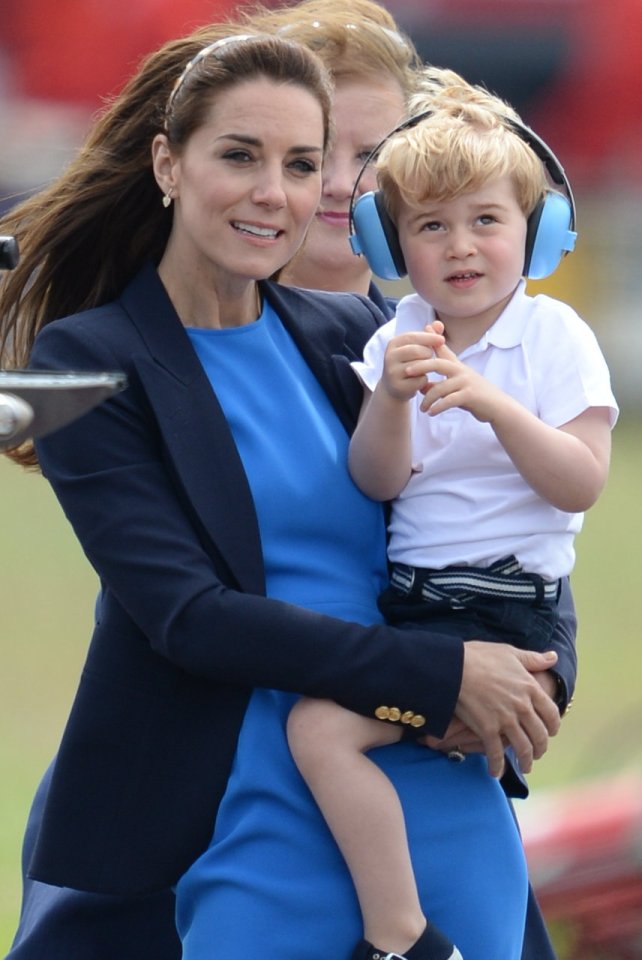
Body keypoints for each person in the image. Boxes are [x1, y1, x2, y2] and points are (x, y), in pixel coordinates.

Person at [0, 25, 563, 960]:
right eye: (240, 156)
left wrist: (538, 679)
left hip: (434, 779)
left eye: (302, 164)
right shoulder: (87, 360)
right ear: (167, 163)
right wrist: (444, 676)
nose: (278, 191)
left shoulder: (364, 337)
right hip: (249, 800)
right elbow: (187, 616)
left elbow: (515, 522)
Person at [286, 66, 618, 960]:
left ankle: (400, 936)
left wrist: (493, 405)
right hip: (420, 608)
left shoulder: (555, 338)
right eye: (432, 227)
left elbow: (580, 482)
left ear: (538, 231)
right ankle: (409, 925)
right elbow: (379, 482)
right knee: (321, 732)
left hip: (510, 615)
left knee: (321, 728)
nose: (461, 247)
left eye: (486, 221)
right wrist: (389, 401)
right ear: (394, 247)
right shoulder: (396, 337)